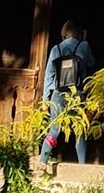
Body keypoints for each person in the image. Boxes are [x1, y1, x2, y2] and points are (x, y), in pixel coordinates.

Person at [39, 19, 96, 166]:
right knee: (79, 129)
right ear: (78, 32)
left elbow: (49, 75)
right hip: (76, 93)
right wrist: (85, 41)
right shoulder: (83, 46)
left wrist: (45, 99)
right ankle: (82, 164)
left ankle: (42, 161)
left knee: (54, 129)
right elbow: (91, 63)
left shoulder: (55, 49)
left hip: (58, 93)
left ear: (64, 32)